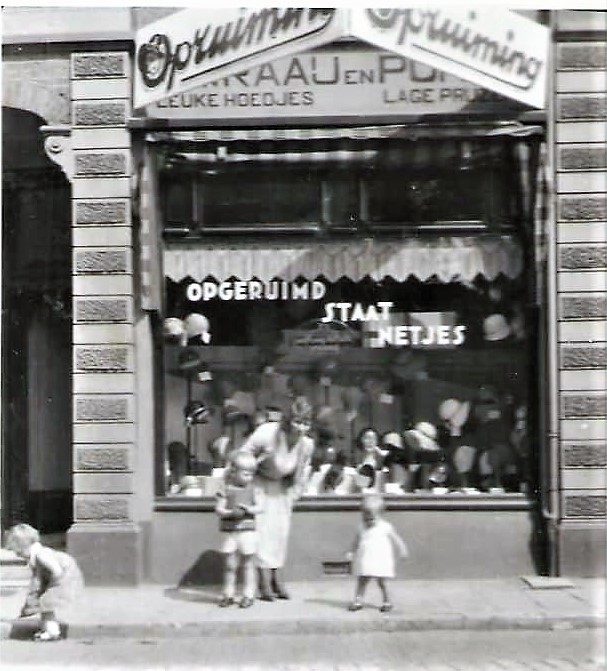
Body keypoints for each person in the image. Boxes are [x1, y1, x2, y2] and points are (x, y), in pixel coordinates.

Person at [240, 397, 314, 601]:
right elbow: (243, 455)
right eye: (297, 421)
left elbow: (303, 472)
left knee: (280, 532)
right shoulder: (267, 433)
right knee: (263, 531)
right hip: (259, 483)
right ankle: (263, 582)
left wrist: (294, 495)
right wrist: (248, 477)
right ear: (287, 420)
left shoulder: (307, 444)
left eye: (306, 423)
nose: (301, 428)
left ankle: (276, 577)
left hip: (282, 488)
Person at [4, 523, 84, 641]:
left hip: (63, 579)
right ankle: (48, 629)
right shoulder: (39, 553)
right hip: (63, 577)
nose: (20, 556)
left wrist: (51, 588)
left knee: (45, 604)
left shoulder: (41, 554)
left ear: (24, 546)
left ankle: (52, 632)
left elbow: (56, 571)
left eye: (19, 553)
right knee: (46, 606)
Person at [215, 450, 263, 608]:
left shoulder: (254, 489)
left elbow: (261, 507)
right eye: (245, 473)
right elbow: (219, 509)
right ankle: (228, 593)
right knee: (230, 564)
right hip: (230, 530)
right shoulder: (225, 489)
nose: (249, 477)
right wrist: (229, 512)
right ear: (234, 471)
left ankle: (248, 594)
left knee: (248, 563)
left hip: (247, 530)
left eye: (251, 474)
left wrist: (248, 509)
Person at [346, 494, 408, 613]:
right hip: (366, 558)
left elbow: (396, 538)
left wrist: (402, 548)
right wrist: (351, 551)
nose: (368, 521)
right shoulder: (361, 527)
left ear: (381, 515)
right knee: (362, 580)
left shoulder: (385, 527)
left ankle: (387, 601)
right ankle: (358, 600)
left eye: (372, 519)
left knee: (382, 582)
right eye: (365, 518)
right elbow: (356, 541)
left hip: (380, 558)